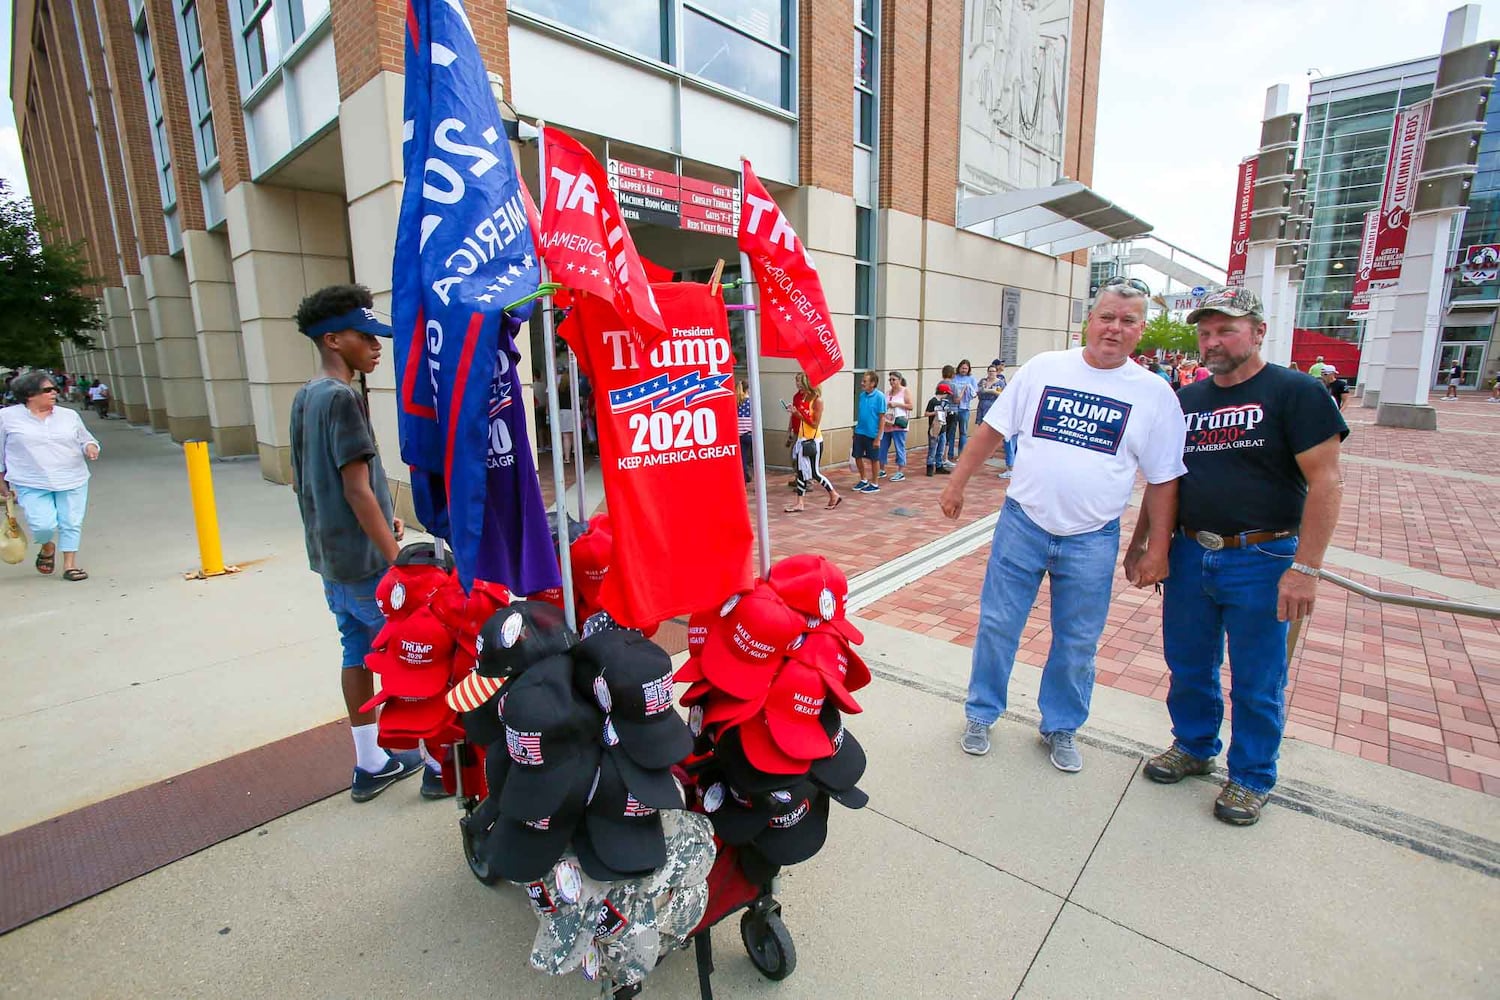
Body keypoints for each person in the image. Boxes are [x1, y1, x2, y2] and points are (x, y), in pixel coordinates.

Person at [941, 276, 1187, 772]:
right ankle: (981, 713)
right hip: (1022, 525)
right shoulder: (1044, 368)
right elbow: (993, 429)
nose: (1114, 328)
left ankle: (1060, 727)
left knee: (1077, 640)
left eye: (1127, 320)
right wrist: (956, 483)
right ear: (1088, 321)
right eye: (1106, 317)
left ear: (1141, 330)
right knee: (997, 625)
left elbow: (1164, 479)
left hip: (1093, 539)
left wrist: (1156, 548)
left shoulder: (1155, 394)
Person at [1134, 287, 1347, 826]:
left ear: (1257, 331)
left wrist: (1307, 568)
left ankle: (1251, 777)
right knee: (1187, 664)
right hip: (1190, 555)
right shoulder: (1187, 400)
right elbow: (1165, 479)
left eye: (1226, 329)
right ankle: (1194, 745)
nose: (1213, 341)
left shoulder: (1296, 392)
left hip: (1263, 556)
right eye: (1205, 332)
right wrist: (1146, 544)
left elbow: (1326, 482)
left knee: (1256, 678)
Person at [289, 284, 434, 803]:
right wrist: (399, 562)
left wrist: (385, 511)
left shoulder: (306, 396)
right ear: (333, 339)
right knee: (419, 653)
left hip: (333, 562)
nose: (377, 347)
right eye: (366, 336)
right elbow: (354, 488)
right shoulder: (344, 397)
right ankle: (440, 764)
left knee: (355, 653)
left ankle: (370, 762)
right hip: (370, 566)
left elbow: (310, 479)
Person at [0, 371, 100, 582]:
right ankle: (47, 546)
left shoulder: (68, 416)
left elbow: (86, 439)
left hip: (72, 477)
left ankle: (70, 565)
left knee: (71, 522)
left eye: (54, 388)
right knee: (42, 525)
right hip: (31, 481)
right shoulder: (7, 418)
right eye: (47, 390)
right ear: (29, 394)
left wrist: (90, 447)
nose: (54, 392)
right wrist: (2, 480)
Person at [784, 380, 842, 513]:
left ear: (807, 385)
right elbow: (803, 415)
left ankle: (834, 494)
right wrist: (794, 412)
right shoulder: (804, 397)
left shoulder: (817, 401)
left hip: (813, 440)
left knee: (814, 473)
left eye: (801, 384)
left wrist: (799, 415)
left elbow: (815, 424)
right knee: (800, 471)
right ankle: (800, 503)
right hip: (802, 438)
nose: (798, 387)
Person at [852, 371, 887, 493]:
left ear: (873, 383)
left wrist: (878, 437)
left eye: (865, 381)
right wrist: (855, 431)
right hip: (860, 431)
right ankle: (863, 479)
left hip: (872, 433)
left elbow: (882, 417)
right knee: (857, 456)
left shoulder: (880, 397)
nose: (862, 383)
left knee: (874, 459)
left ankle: (875, 483)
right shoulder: (862, 396)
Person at [879, 371, 912, 482]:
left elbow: (910, 406)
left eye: (894, 379)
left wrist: (897, 404)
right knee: (883, 446)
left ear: (899, 380)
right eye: (890, 380)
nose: (892, 382)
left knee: (899, 447)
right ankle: (882, 469)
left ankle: (900, 471)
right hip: (888, 423)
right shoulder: (887, 393)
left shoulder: (904, 391)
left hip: (899, 423)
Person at [923, 381, 958, 477]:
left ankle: (939, 466)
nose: (947, 396)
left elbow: (945, 414)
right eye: (946, 393)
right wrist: (936, 412)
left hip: (943, 427)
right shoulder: (933, 401)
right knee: (932, 449)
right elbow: (926, 413)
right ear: (943, 393)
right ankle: (930, 466)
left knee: (941, 448)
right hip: (934, 428)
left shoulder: (945, 402)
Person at [784, 372, 810, 489]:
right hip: (796, 430)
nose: (798, 383)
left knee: (804, 456)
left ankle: (808, 481)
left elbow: (808, 416)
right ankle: (798, 477)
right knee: (793, 456)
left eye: (800, 380)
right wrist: (789, 429)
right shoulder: (796, 396)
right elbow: (793, 414)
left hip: (805, 432)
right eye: (796, 380)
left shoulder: (809, 397)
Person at [949, 359, 978, 464]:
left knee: (963, 432)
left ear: (969, 369)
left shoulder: (971, 379)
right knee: (951, 432)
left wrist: (968, 390)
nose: (964, 370)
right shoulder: (954, 377)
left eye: (966, 368)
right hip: (954, 407)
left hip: (964, 408)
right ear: (959, 368)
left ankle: (962, 454)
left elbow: (975, 393)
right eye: (962, 368)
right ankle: (949, 453)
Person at [735, 380, 753, 484]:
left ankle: (744, 478)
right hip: (750, 433)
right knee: (755, 458)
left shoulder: (736, 402)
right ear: (748, 389)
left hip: (739, 434)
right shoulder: (751, 402)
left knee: (743, 458)